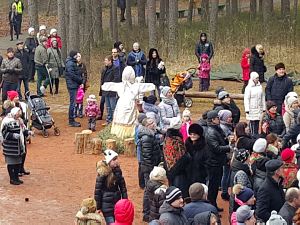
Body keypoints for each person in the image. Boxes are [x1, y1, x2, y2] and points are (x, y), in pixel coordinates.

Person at [101, 66, 155, 139]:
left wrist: (104, 86)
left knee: (121, 117)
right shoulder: (135, 86)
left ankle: (119, 134)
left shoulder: (120, 85)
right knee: (129, 119)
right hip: (129, 104)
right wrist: (152, 85)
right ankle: (129, 135)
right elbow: (148, 86)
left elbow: (108, 86)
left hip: (121, 104)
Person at [206, 110, 233, 211]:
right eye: (217, 118)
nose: (219, 119)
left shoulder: (216, 129)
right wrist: (229, 147)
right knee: (213, 187)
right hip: (213, 163)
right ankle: (211, 207)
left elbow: (220, 141)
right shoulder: (211, 132)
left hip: (217, 162)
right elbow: (216, 148)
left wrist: (227, 140)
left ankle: (214, 205)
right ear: (213, 120)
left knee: (215, 186)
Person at [94, 149, 127, 225]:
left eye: (116, 159)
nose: (116, 161)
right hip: (106, 206)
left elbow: (123, 187)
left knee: (117, 222)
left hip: (117, 204)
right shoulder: (102, 174)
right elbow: (97, 191)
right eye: (114, 159)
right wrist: (98, 207)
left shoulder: (117, 171)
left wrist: (125, 201)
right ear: (108, 161)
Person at [0, 107, 32, 185]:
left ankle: (16, 178)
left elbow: (23, 130)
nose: (19, 115)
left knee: (18, 163)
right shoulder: (7, 121)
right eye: (18, 114)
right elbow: (3, 133)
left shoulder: (19, 121)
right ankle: (12, 179)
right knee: (11, 163)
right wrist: (13, 135)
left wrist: (28, 132)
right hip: (10, 147)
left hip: (18, 147)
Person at [139, 117, 162, 222]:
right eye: (151, 123)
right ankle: (146, 213)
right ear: (147, 126)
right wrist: (153, 169)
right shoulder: (147, 137)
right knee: (148, 191)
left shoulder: (151, 135)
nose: (154, 124)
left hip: (152, 167)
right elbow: (147, 156)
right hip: (149, 168)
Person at [163, 118, 191, 198]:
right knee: (179, 192)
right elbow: (183, 157)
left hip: (169, 167)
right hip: (178, 171)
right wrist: (188, 157)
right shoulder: (177, 139)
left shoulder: (167, 137)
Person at [244, 72, 266, 136]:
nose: (257, 79)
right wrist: (247, 109)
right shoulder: (248, 88)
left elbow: (262, 97)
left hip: (259, 108)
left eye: (258, 78)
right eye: (256, 78)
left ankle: (256, 135)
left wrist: (264, 107)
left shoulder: (260, 87)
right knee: (252, 123)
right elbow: (246, 99)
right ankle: (253, 136)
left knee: (258, 122)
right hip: (251, 109)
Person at [65, 51, 83, 127]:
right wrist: (79, 80)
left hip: (73, 84)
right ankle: (71, 120)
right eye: (76, 55)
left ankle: (72, 119)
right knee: (73, 103)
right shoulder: (70, 64)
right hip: (72, 85)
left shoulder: (72, 63)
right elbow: (72, 75)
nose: (77, 57)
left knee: (73, 102)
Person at [100, 55, 119, 125]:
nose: (105, 62)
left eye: (106, 60)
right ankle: (109, 120)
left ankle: (114, 120)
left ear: (110, 61)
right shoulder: (104, 68)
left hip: (112, 90)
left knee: (113, 106)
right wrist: (102, 86)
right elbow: (102, 79)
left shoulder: (115, 68)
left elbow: (117, 78)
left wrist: (110, 85)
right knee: (107, 106)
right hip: (105, 90)